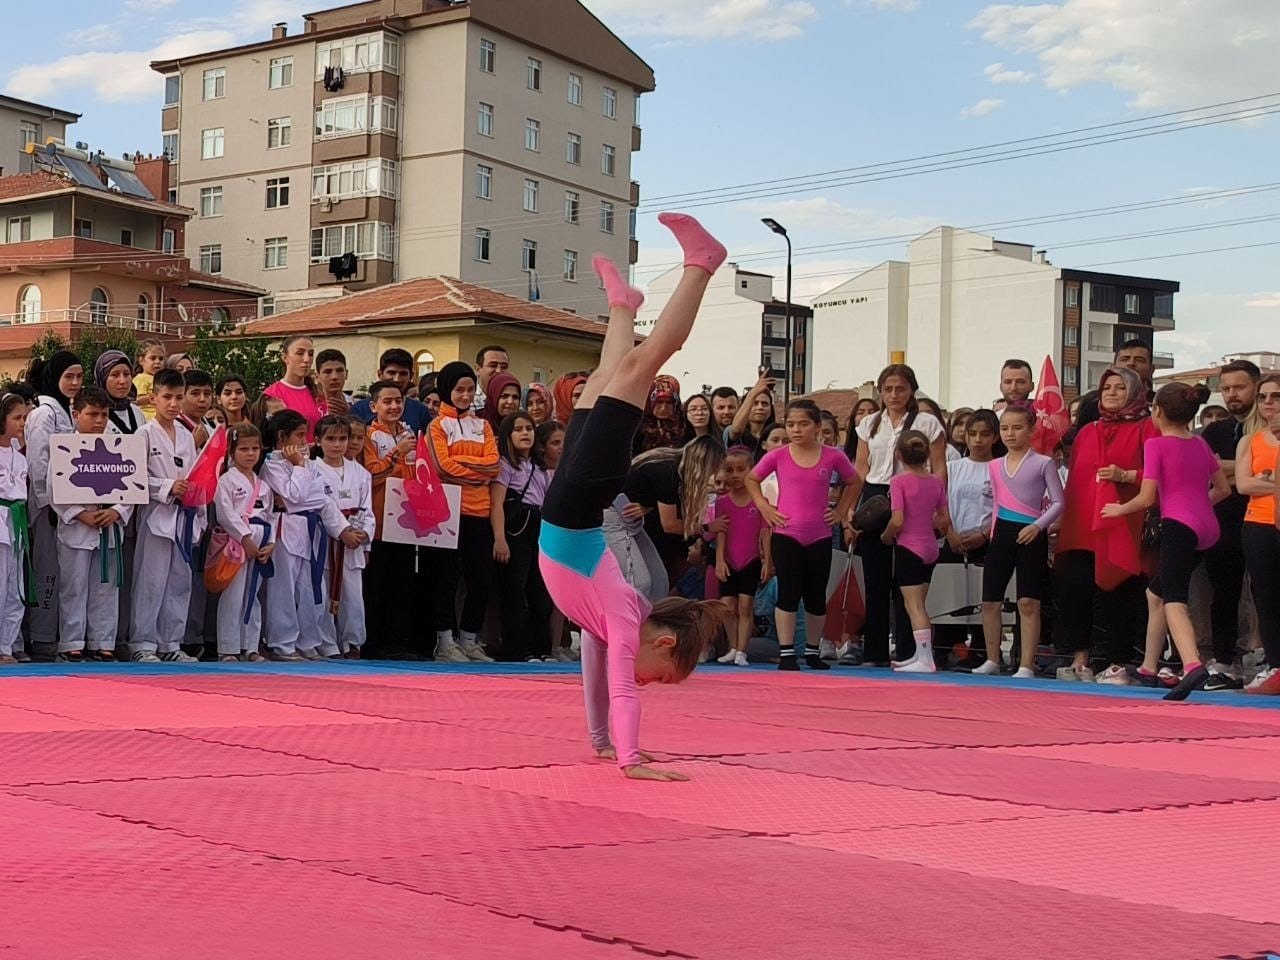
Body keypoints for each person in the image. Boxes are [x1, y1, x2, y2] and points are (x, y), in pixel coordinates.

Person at [537, 213, 728, 782]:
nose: (649, 681)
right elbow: (623, 690)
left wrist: (600, 743)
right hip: (584, 494)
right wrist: (631, 760)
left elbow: (594, 681)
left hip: (572, 501)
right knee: (643, 366)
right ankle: (702, 265)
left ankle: (622, 304)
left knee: (601, 381)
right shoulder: (624, 615)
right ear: (663, 642)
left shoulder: (609, 622)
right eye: (662, 673)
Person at [1103, 383, 1229, 700]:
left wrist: (1120, 509)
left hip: (1179, 525)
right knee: (1155, 592)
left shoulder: (1157, 445)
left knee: (1175, 599)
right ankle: (1148, 666)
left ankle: (1192, 664)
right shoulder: (1200, 444)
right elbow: (1223, 489)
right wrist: (1198, 507)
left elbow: (1147, 497)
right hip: (1207, 526)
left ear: (1157, 412)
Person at [1054, 366, 1157, 683]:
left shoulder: (1147, 428)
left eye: (1119, 387)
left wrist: (1125, 476)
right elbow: (1076, 481)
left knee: (1119, 591)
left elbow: (1158, 474)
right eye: (1106, 387)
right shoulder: (1087, 431)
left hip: (1124, 519)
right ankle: (1080, 659)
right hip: (1082, 522)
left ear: (1135, 392)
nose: (1111, 392)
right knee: (1077, 587)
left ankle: (1117, 662)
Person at [748, 399, 862, 670]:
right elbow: (751, 479)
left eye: (803, 424)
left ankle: (812, 650)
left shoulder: (833, 455)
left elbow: (854, 481)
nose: (796, 429)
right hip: (787, 533)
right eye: (791, 424)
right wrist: (765, 508)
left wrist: (841, 511)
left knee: (815, 595)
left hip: (819, 534)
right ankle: (787, 652)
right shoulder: (778, 455)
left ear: (817, 426)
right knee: (788, 592)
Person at [854, 363, 947, 665]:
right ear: (880, 391)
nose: (894, 394)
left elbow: (939, 466)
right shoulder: (869, 422)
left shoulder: (927, 422)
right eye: (888, 389)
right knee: (875, 577)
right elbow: (860, 468)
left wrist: (939, 507)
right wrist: (849, 510)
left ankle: (910, 651)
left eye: (901, 389)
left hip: (914, 492)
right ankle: (875, 651)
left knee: (907, 578)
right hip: (876, 494)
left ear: (911, 391)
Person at [261, 410, 359, 661]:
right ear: (283, 437)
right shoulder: (272, 465)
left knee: (311, 587)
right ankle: (282, 643)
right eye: (300, 436)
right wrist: (299, 471)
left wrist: (299, 487)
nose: (305, 441)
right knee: (283, 589)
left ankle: (308, 641)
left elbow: (319, 499)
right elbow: (294, 496)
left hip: (309, 530)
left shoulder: (308, 464)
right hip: (285, 531)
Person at [975, 405, 1065, 678]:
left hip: (1030, 534)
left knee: (1029, 601)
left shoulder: (1043, 463)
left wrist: (1038, 526)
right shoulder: (994, 465)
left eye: (1017, 428)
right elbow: (998, 503)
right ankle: (992, 659)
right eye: (1005, 428)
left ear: (1031, 430)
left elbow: (1059, 502)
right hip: (1001, 534)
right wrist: (992, 536)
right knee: (990, 600)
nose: (1010, 434)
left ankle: (1026, 663)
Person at [51, 387, 132, 662]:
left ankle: (103, 642)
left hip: (109, 526)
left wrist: (118, 511)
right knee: (74, 587)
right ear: (76, 415)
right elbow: (54, 488)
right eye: (92, 414)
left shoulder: (120, 442)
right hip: (77, 528)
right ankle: (72, 643)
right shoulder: (63, 445)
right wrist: (79, 513)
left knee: (106, 587)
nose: (99, 421)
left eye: (104, 414)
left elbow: (132, 486)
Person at [427, 361, 500, 664]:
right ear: (447, 390)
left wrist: (465, 467)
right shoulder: (436, 426)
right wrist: (477, 471)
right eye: (460, 389)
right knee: (445, 578)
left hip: (479, 512)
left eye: (470, 389)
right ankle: (445, 641)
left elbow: (494, 465)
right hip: (448, 511)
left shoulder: (482, 425)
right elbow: (442, 467)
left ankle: (469, 638)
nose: (466, 395)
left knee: (480, 579)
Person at [131, 368, 204, 663]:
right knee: (151, 580)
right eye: (167, 397)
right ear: (154, 398)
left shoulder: (187, 437)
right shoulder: (143, 434)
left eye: (178, 397)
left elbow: (196, 475)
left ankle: (171, 643)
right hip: (156, 514)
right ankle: (143, 642)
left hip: (184, 518)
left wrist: (194, 497)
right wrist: (167, 486)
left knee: (179, 581)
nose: (173, 404)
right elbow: (133, 479)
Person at [1198, 359, 1262, 688]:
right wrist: (1247, 474)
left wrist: (1231, 472)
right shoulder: (1215, 431)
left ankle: (1268, 659)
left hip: (1265, 519)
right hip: (1222, 523)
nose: (1232, 394)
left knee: (1267, 591)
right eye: (1226, 389)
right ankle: (1224, 660)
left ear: (1256, 386)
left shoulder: (1268, 431)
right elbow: (1203, 470)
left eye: (1239, 387)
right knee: (1223, 594)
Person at [24, 351, 84, 658]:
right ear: (54, 378)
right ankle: (43, 637)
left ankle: (61, 636)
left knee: (68, 574)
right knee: (47, 570)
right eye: (68, 377)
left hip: (71, 507)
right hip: (47, 507)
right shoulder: (44, 414)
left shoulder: (69, 411)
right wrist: (46, 502)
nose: (74, 383)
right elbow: (37, 461)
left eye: (78, 377)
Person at [880, 430, 952, 673]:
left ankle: (925, 659)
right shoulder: (936, 481)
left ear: (898, 455)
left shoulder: (899, 481)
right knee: (921, 603)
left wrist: (886, 535)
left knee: (914, 606)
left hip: (909, 546)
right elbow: (943, 518)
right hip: (930, 545)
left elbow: (897, 519)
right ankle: (920, 654)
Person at [618, 437, 725, 597]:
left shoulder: (671, 462)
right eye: (713, 469)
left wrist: (649, 506)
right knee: (641, 582)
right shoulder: (668, 472)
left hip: (633, 516)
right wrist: (707, 527)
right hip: (617, 517)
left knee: (658, 580)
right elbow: (670, 525)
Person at [361, 381, 421, 660]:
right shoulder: (369, 436)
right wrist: (397, 452)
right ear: (374, 406)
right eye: (388, 401)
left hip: (407, 521)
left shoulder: (411, 433)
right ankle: (375, 642)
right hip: (380, 522)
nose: (395, 406)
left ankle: (400, 641)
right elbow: (371, 474)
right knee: (378, 585)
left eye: (398, 400)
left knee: (404, 583)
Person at [491, 411, 554, 662]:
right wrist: (499, 538)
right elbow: (496, 503)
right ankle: (517, 648)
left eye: (529, 428)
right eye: (518, 429)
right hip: (516, 526)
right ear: (508, 435)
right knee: (515, 588)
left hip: (539, 524)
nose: (525, 433)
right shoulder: (506, 464)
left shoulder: (540, 467)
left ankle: (542, 646)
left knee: (539, 588)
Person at [940, 409, 998, 671]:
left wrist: (985, 535)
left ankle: (981, 651)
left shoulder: (1000, 469)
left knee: (982, 600)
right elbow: (938, 505)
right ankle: (948, 650)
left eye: (985, 434)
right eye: (973, 434)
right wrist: (949, 532)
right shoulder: (951, 468)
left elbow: (1003, 508)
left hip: (986, 541)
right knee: (949, 599)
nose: (978, 440)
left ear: (995, 437)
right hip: (953, 538)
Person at [313, 415, 375, 659]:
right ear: (318, 440)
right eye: (330, 439)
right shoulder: (312, 470)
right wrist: (342, 531)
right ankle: (327, 643)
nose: (337, 444)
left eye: (342, 439)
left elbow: (367, 508)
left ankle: (352, 643)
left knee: (352, 594)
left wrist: (363, 532)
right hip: (324, 538)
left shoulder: (360, 473)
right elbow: (322, 505)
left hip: (353, 540)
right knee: (324, 590)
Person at [1234, 374, 1280, 694]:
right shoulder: (1250, 440)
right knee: (1266, 597)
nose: (1267, 403)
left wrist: (1267, 479)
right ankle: (1275, 664)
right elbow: (1244, 484)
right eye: (1263, 397)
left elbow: (1255, 482)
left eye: (1275, 397)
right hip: (1259, 525)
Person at [212, 423, 275, 662]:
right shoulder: (226, 481)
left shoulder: (264, 485)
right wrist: (245, 537)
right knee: (234, 593)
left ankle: (251, 646)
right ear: (231, 452)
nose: (250, 454)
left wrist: (271, 543)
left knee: (253, 594)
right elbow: (225, 514)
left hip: (260, 538)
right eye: (244, 449)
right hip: (236, 541)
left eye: (255, 449)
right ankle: (228, 648)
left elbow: (270, 516)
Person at [714, 446, 771, 666]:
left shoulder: (759, 501)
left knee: (746, 606)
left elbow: (765, 532)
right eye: (730, 470)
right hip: (729, 560)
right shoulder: (723, 502)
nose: (735, 475)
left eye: (740, 469)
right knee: (727, 607)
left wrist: (767, 560)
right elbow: (721, 532)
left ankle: (742, 651)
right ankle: (733, 646)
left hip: (751, 559)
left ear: (751, 470)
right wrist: (719, 560)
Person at [0, 393, 30, 664]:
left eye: (24, 417)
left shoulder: (20, 457)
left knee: (15, 587)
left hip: (17, 521)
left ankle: (6, 646)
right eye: (16, 418)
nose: (22, 423)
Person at [351, 349, 432, 434]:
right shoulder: (360, 410)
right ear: (380, 374)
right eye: (392, 373)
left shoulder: (420, 411)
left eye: (403, 374)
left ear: (411, 376)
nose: (397, 379)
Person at [263, 335, 326, 442]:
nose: (306, 359)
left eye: (310, 354)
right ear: (285, 357)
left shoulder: (318, 394)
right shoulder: (273, 395)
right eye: (300, 353)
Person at [725, 373, 775, 459]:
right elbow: (736, 430)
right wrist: (753, 394)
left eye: (764, 404)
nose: (760, 407)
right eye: (755, 403)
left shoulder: (775, 434)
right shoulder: (730, 431)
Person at [634, 376, 684, 454]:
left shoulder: (683, 424)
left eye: (669, 403)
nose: (663, 408)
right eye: (659, 402)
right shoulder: (637, 425)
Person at [179, 370, 216, 449]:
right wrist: (194, 445)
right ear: (182, 396)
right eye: (195, 393)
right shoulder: (173, 428)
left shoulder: (212, 429)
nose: (202, 399)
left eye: (207, 394)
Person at [133, 340, 166, 420]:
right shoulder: (141, 378)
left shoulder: (162, 379)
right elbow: (138, 401)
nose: (157, 362)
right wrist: (153, 397)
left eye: (161, 359)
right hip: (147, 416)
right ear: (141, 360)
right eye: (153, 358)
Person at [315, 349, 352, 418]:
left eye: (339, 371)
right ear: (318, 377)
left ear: (346, 374)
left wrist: (350, 415)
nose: (334, 377)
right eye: (328, 372)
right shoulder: (309, 407)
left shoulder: (357, 406)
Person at [474, 345, 511, 411]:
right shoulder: (467, 400)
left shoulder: (513, 401)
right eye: (493, 365)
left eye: (504, 367)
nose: (498, 371)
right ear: (478, 369)